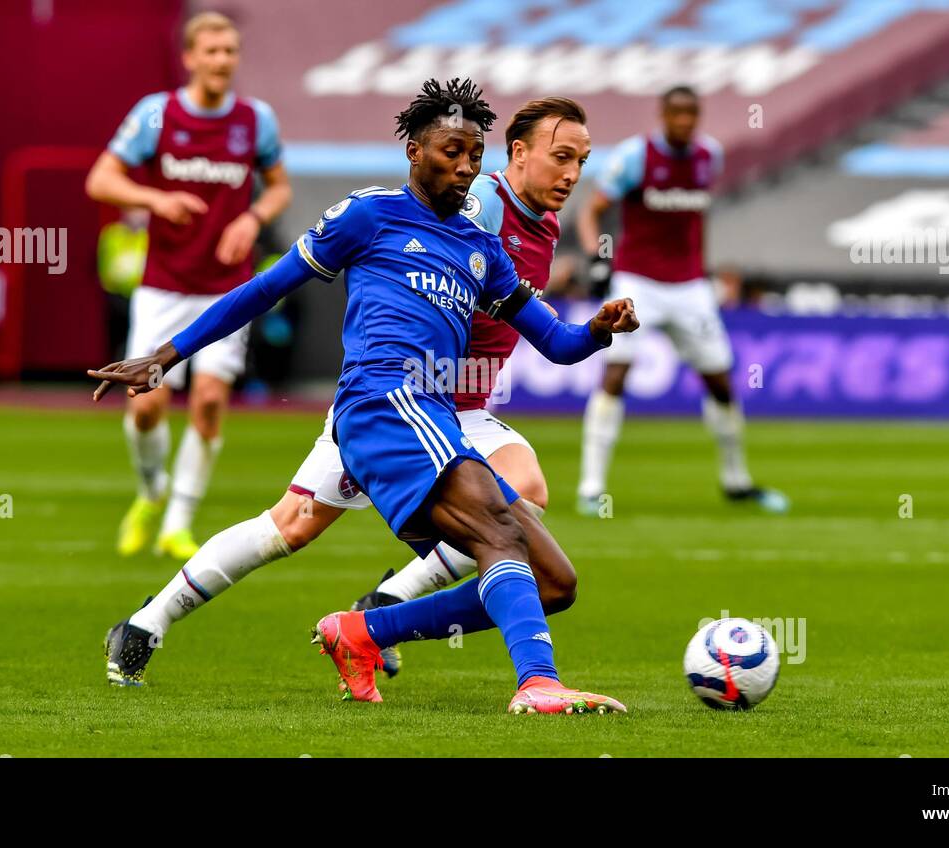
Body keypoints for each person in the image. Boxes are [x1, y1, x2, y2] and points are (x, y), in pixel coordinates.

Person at [91, 78, 638, 714]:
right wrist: (166, 355)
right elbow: (267, 289)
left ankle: (361, 629)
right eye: (450, 152)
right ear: (414, 151)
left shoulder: (483, 249)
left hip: (433, 414)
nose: (464, 167)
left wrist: (598, 331)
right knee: (500, 525)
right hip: (388, 404)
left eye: (471, 155)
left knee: (553, 580)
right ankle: (532, 681)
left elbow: (558, 342)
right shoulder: (372, 214)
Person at [84, 11, 291, 561]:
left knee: (207, 401)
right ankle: (151, 492)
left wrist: (252, 219)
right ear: (190, 57)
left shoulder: (255, 121)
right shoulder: (157, 115)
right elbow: (100, 179)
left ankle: (178, 522)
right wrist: (155, 199)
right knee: (146, 406)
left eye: (230, 51)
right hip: (165, 287)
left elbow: (278, 188)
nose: (223, 60)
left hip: (228, 289)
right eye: (213, 51)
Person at [576, 85, 787, 515]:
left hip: (690, 286)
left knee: (721, 383)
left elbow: (695, 221)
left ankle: (736, 481)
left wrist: (702, 269)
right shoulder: (636, 157)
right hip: (638, 282)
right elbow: (590, 210)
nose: (685, 122)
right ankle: (590, 487)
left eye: (692, 114)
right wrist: (597, 259)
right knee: (615, 374)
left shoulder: (709, 156)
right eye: (678, 114)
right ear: (663, 114)